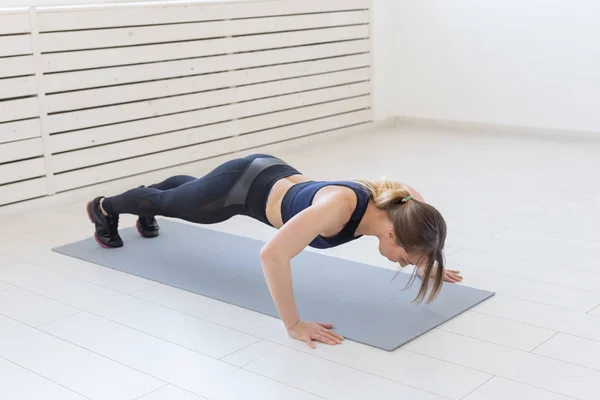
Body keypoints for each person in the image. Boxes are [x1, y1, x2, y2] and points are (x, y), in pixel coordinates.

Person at [86, 153, 462, 349]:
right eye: (405, 258)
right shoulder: (337, 209)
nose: (404, 263)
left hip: (271, 177)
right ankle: (104, 208)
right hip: (242, 184)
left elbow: (422, 229)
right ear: (394, 235)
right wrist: (294, 325)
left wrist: (427, 259)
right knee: (179, 206)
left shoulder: (408, 205)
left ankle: (161, 196)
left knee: (182, 200)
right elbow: (273, 255)